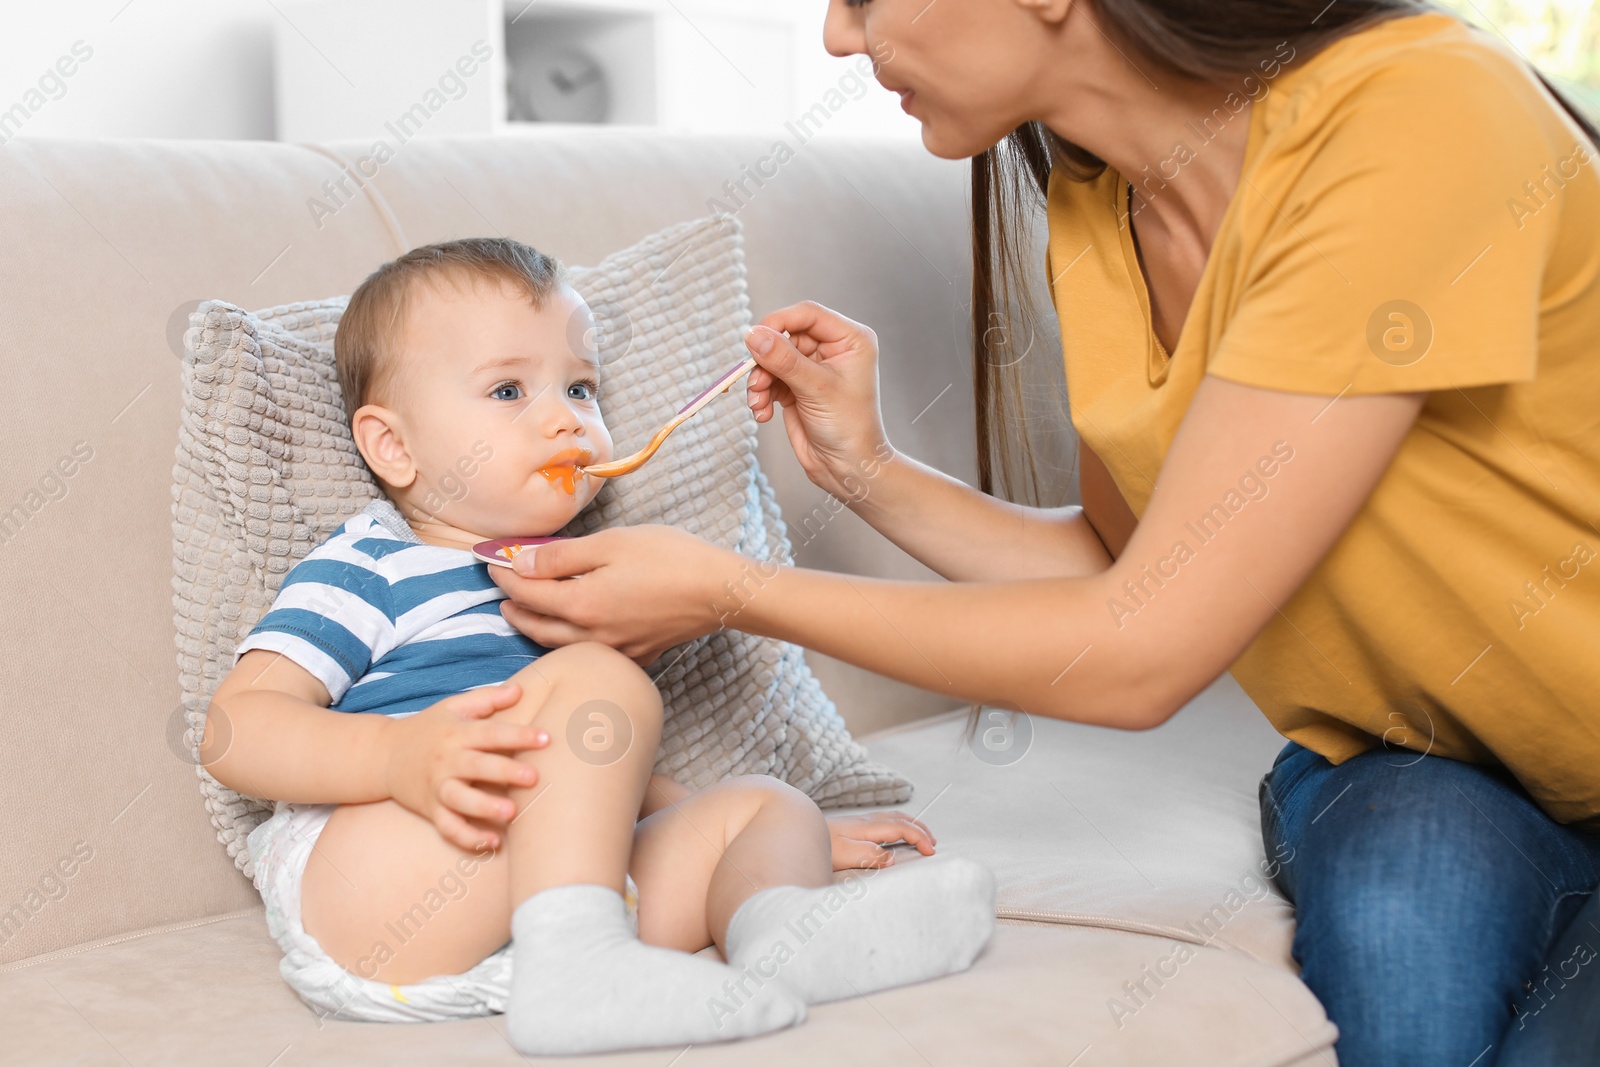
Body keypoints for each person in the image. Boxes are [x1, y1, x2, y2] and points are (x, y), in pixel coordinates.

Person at [485, 3, 1600, 1064]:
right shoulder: (1095, 202)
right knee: (1408, 987)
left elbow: (1141, 651)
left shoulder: (1415, 113)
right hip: (1434, 767)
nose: (836, 34)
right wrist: (869, 472)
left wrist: (733, 590)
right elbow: (1122, 567)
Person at [199, 237, 996, 1056]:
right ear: (393, 446)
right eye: (509, 388)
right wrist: (397, 754)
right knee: (597, 678)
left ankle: (782, 927)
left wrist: (771, 851)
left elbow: (595, 773)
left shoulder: (574, 587)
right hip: (381, 882)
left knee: (766, 802)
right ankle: (578, 964)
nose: (564, 416)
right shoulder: (373, 565)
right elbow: (236, 729)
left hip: (529, 902)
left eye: (581, 387)